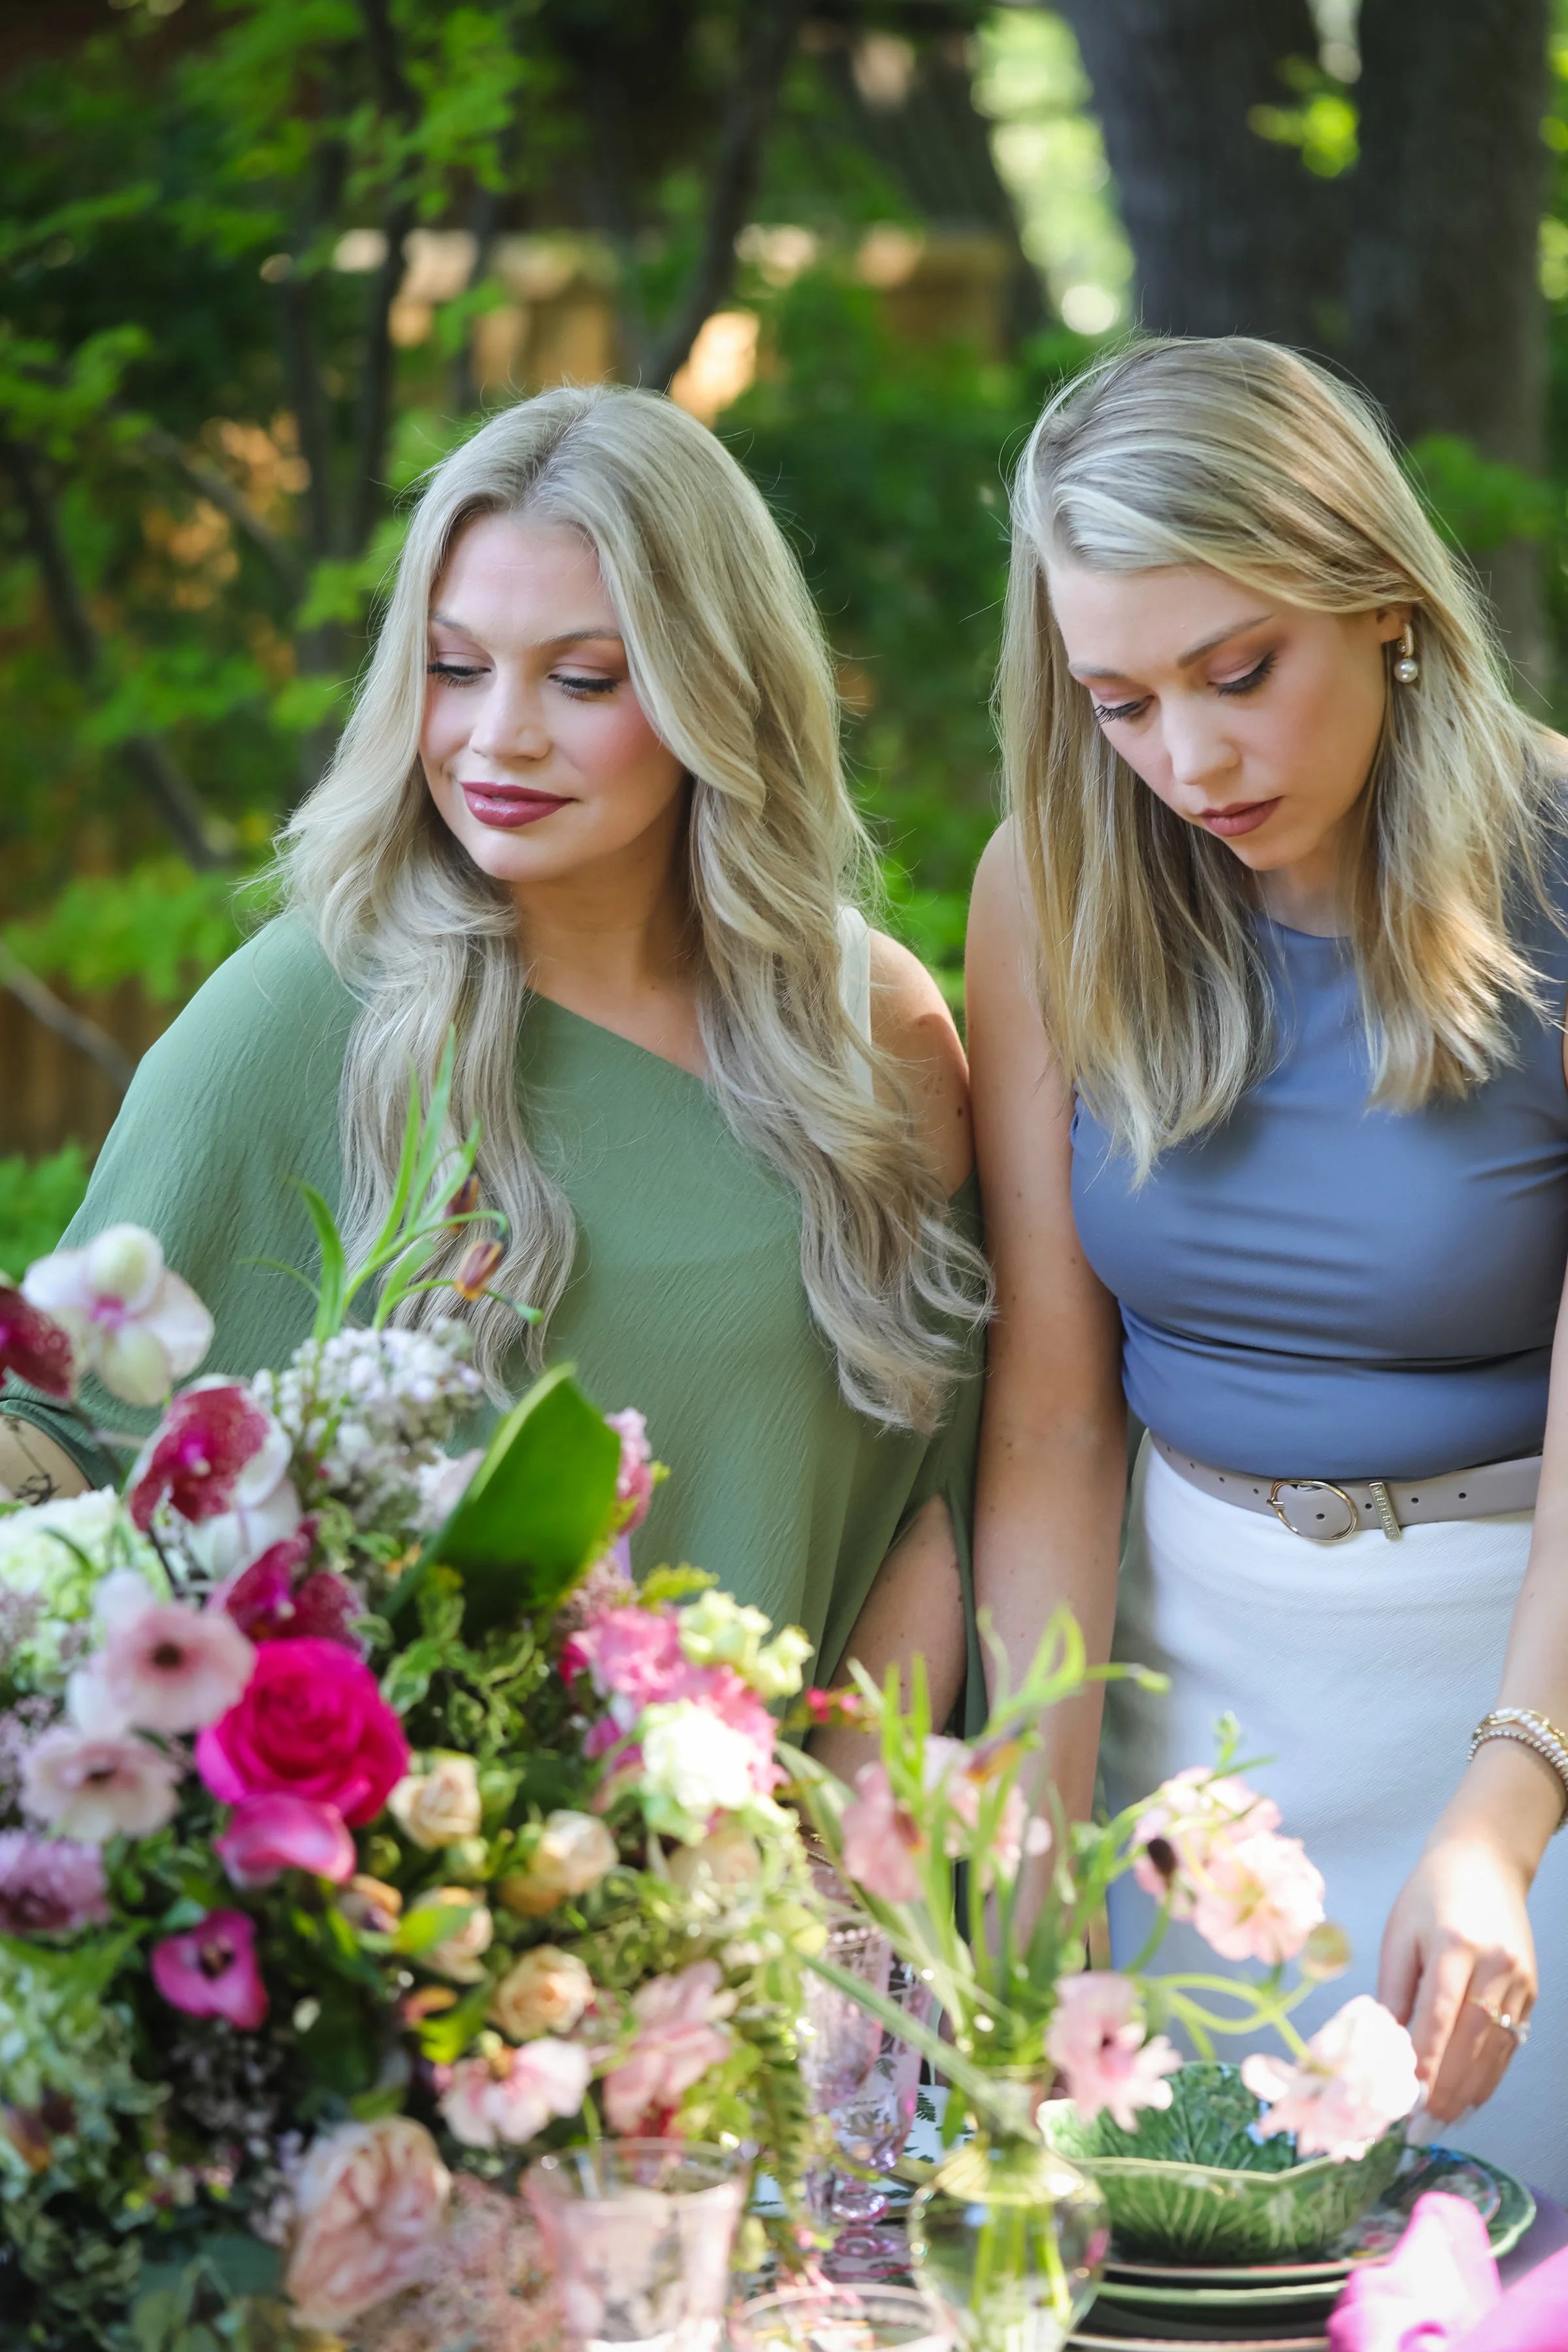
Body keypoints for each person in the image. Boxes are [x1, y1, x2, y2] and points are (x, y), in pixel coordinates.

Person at [3, 384, 986, 1732]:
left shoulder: (872, 1032)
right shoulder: (299, 1012)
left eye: (581, 679)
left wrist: (844, 1875)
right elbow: (55, 1454)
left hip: (776, 1889)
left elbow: (935, 1509)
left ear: (722, 688)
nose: (496, 736)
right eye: (455, 668)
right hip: (398, 1891)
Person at [967, 335, 1568, 2190]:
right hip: (1187, 1726)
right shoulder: (1052, 888)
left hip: (1522, 1710)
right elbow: (1058, 1427)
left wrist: (1506, 1810)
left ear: (1380, 601)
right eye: (1120, 702)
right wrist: (1028, 1818)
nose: (1190, 758)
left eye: (1239, 673)